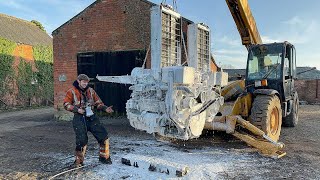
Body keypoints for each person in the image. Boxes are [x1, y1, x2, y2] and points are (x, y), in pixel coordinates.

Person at [63, 74, 114, 167]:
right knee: (82, 141)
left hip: (92, 117)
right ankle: (79, 162)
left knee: (104, 137)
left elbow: (98, 103)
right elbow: (66, 104)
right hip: (79, 118)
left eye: (87, 82)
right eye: (83, 82)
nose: (85, 84)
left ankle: (104, 158)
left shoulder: (91, 91)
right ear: (78, 81)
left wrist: (105, 108)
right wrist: (77, 110)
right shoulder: (72, 91)